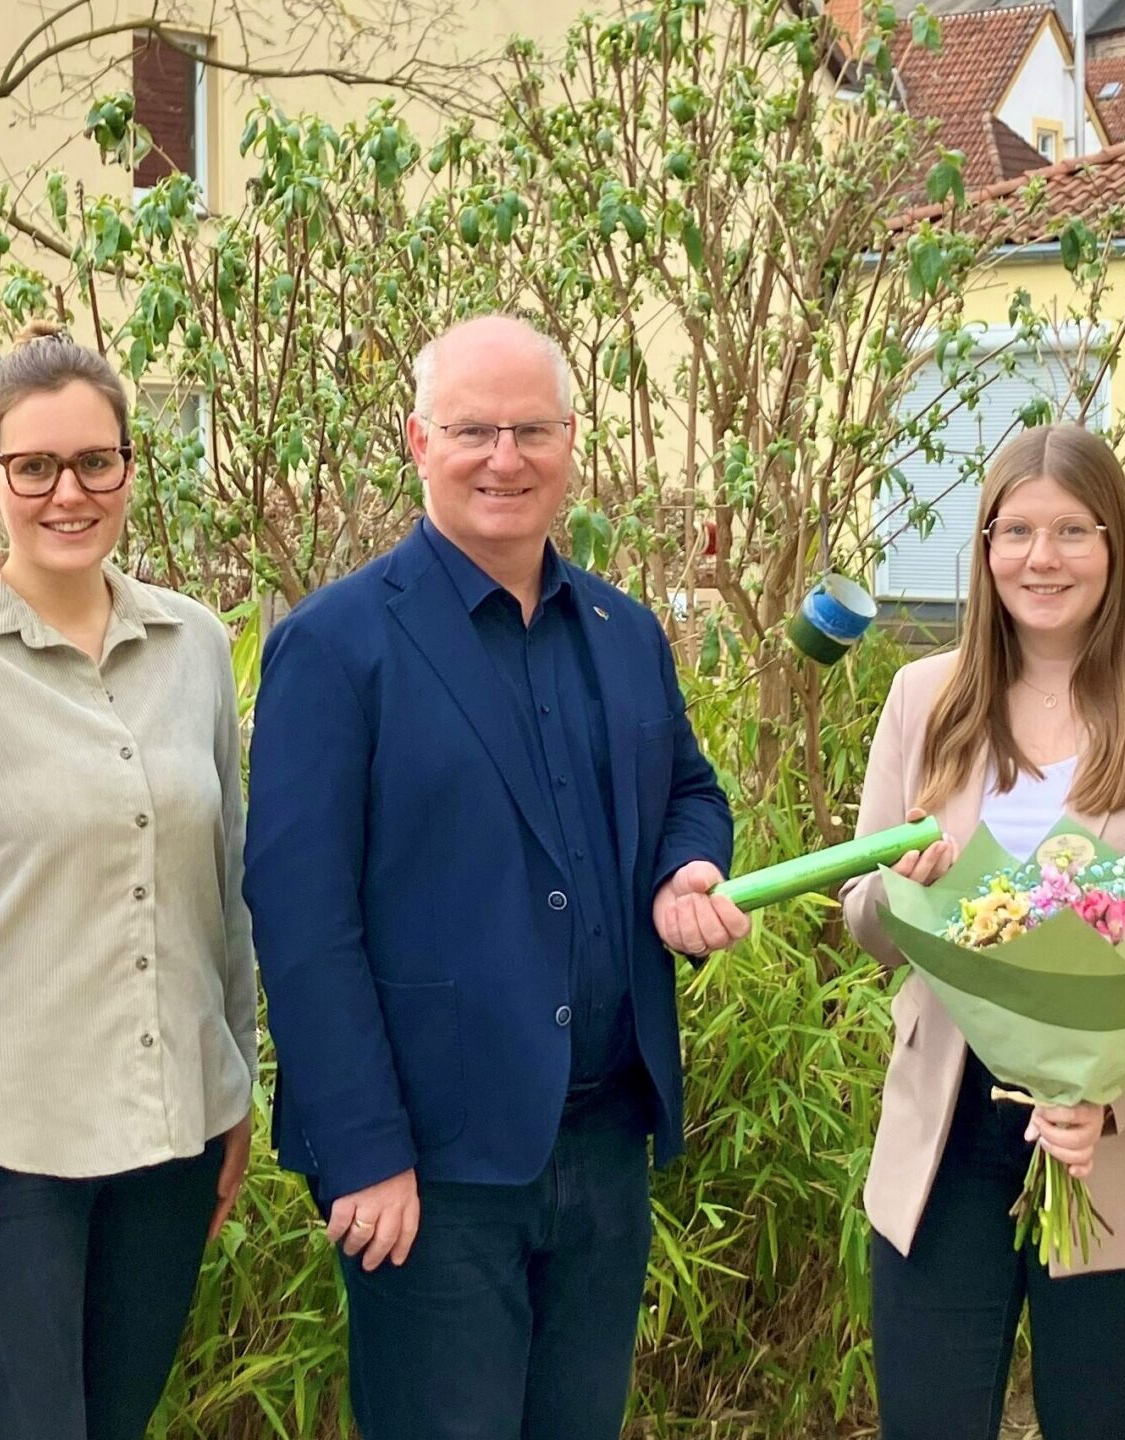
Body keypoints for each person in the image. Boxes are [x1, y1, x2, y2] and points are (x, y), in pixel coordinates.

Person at [243, 313, 746, 1440]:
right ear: (419, 441)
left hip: (605, 1145)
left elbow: (689, 791)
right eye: (474, 430)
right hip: (431, 1168)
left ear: (571, 442)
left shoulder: (623, 630)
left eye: (531, 430)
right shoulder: (335, 646)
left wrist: (687, 866)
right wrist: (363, 1151)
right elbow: (301, 924)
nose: (504, 459)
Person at [0, 321, 257, 1440]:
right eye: (34, 467)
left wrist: (233, 1086)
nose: (68, 493)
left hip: (172, 1140)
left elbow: (222, 887)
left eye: (94, 463)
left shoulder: (195, 647)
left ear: (129, 467)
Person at [838, 424, 1125, 1440]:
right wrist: (898, 892)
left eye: (1073, 531)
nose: (1043, 558)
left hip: (1118, 1142)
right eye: (1017, 531)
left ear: (1115, 543)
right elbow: (865, 919)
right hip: (946, 1132)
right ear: (985, 547)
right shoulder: (925, 698)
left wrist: (1112, 1098)